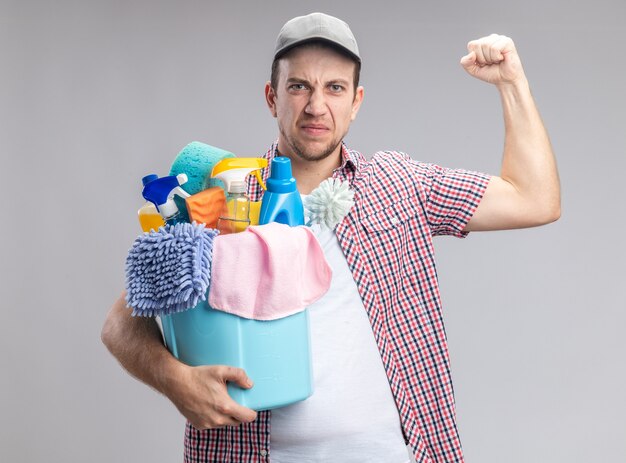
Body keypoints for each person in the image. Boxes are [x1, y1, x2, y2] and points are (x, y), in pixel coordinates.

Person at [102, 12, 560, 463]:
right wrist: (174, 380)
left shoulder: (398, 183)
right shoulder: (221, 194)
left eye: (334, 88)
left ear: (356, 100)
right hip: (248, 453)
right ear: (271, 97)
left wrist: (511, 82)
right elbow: (121, 324)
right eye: (299, 86)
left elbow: (534, 199)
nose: (316, 106)